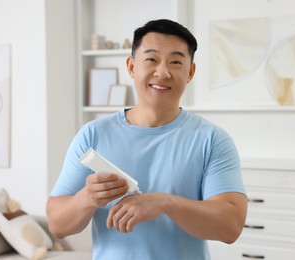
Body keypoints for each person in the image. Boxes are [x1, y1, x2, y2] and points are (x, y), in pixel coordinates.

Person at [46, 19, 247, 260]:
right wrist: (87, 198)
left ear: (190, 72)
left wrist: (165, 203)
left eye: (176, 62)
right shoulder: (93, 135)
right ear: (131, 67)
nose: (163, 72)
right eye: (151, 59)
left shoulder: (213, 140)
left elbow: (231, 227)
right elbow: (57, 224)